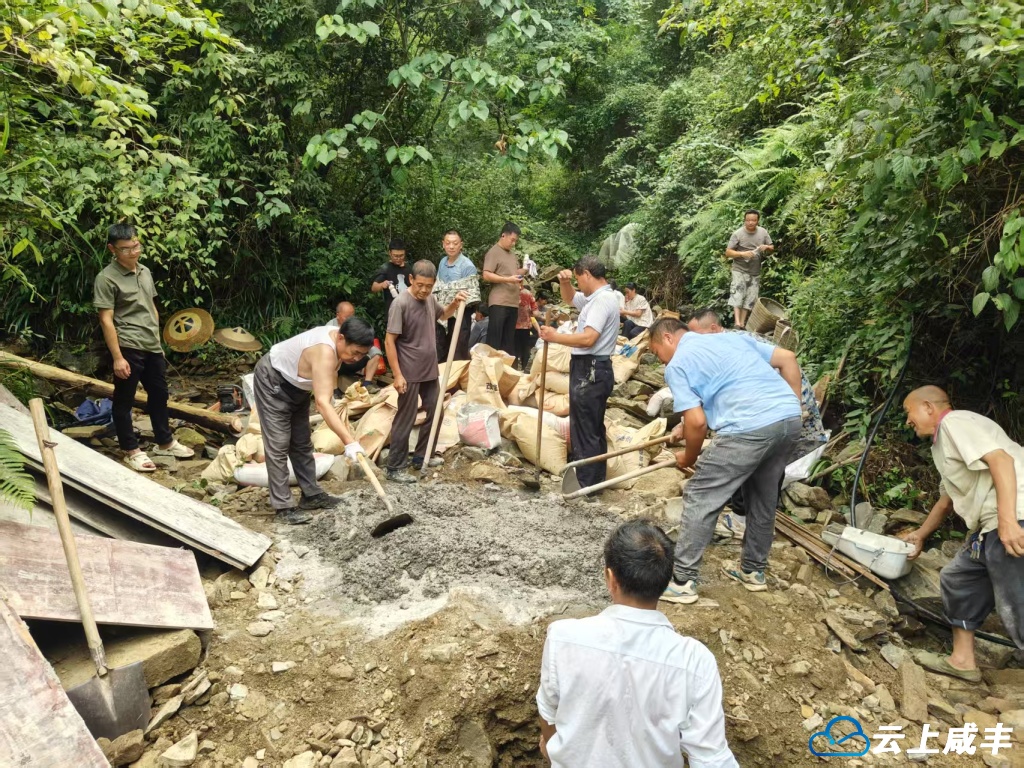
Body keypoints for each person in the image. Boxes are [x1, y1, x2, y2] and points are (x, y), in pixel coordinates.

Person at [536, 519, 738, 768]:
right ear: (664, 583)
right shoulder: (694, 660)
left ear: (610, 578)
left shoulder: (563, 637)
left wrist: (553, 750)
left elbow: (548, 713)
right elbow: (711, 758)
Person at [648, 316, 802, 604]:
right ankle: (753, 572)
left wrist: (689, 457)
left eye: (657, 353)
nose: (662, 362)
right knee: (763, 496)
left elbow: (697, 423)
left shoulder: (679, 362)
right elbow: (788, 357)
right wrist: (790, 406)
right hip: (788, 420)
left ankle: (682, 580)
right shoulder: (731, 338)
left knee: (700, 493)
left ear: (668, 338)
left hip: (749, 428)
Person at [899, 386, 1024, 680]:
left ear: (929, 407)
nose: (908, 421)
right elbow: (948, 500)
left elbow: (1001, 461)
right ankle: (963, 661)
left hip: (1013, 516)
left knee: (1018, 601)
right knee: (959, 578)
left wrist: (1008, 521)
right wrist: (921, 534)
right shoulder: (942, 443)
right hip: (990, 527)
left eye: (909, 412)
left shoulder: (955, 423)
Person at [94, 223, 195, 472]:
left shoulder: (145, 271)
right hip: (127, 344)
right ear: (112, 249)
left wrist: (158, 342)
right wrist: (117, 357)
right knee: (124, 400)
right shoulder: (106, 278)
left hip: (151, 344)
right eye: (126, 248)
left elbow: (151, 306)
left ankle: (165, 441)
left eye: (136, 245)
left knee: (159, 394)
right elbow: (106, 319)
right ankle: (131, 450)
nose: (133, 252)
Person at [253, 317, 375, 524]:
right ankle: (283, 506)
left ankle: (311, 494)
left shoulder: (341, 343)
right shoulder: (324, 351)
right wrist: (350, 442)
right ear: (341, 338)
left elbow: (328, 384)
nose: (356, 359)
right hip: (273, 380)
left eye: (362, 355)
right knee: (279, 443)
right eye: (355, 352)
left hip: (298, 387)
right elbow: (322, 404)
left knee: (301, 442)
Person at [538, 256, 620, 492]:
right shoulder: (597, 297)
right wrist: (565, 282)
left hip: (591, 369)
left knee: (586, 428)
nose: (578, 284)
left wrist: (554, 337)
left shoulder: (603, 301)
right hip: (592, 368)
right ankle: (594, 482)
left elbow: (588, 338)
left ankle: (587, 485)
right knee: (590, 426)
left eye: (577, 279)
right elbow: (571, 298)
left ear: (586, 274)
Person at [385, 260, 468, 483]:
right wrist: (397, 374)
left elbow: (444, 315)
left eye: (428, 286)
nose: (424, 290)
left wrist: (455, 303)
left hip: (429, 369)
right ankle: (395, 466)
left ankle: (423, 455)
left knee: (436, 410)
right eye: (420, 285)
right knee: (406, 417)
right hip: (409, 371)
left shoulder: (430, 299)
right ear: (411, 280)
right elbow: (389, 341)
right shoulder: (400, 304)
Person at [482, 222, 527, 356]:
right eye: (512, 240)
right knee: (494, 341)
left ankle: (505, 373)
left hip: (512, 303)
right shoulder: (494, 252)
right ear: (503, 235)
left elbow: (512, 272)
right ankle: (489, 371)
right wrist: (508, 279)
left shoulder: (512, 255)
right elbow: (486, 274)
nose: (513, 243)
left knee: (508, 342)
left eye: (516, 241)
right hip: (499, 302)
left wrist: (524, 270)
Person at [434, 229, 478, 362]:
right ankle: (440, 379)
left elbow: (472, 293)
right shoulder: (442, 262)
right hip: (443, 311)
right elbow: (438, 287)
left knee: (458, 347)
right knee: (441, 345)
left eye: (455, 243)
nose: (451, 246)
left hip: (460, 313)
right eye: (448, 243)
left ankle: (456, 380)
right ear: (443, 244)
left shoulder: (467, 266)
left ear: (461, 245)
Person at [725, 210, 774, 328]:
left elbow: (772, 248)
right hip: (739, 269)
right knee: (738, 294)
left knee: (750, 297)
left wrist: (766, 247)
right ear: (744, 220)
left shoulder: (763, 232)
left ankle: (742, 323)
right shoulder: (738, 233)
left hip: (755, 270)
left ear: (758, 221)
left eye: (753, 220)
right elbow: (728, 252)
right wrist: (742, 254)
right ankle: (737, 322)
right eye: (748, 220)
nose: (750, 222)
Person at [327, 301, 382, 392]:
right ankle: (335, 389)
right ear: (338, 315)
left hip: (354, 358)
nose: (350, 319)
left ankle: (367, 383)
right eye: (347, 317)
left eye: (352, 316)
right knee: (332, 357)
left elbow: (365, 344)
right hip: (339, 363)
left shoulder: (356, 325)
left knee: (375, 353)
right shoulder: (330, 327)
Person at [371, 238, 413, 317]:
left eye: (401, 256)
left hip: (408, 311)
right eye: (395, 256)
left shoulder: (409, 269)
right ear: (390, 253)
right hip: (392, 312)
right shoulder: (386, 268)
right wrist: (382, 285)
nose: (398, 258)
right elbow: (374, 287)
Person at [514, 284, 539, 371]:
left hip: (512, 326)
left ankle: (514, 368)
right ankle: (524, 369)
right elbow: (536, 313)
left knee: (513, 348)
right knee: (525, 348)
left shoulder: (511, 292)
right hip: (525, 326)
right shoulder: (528, 294)